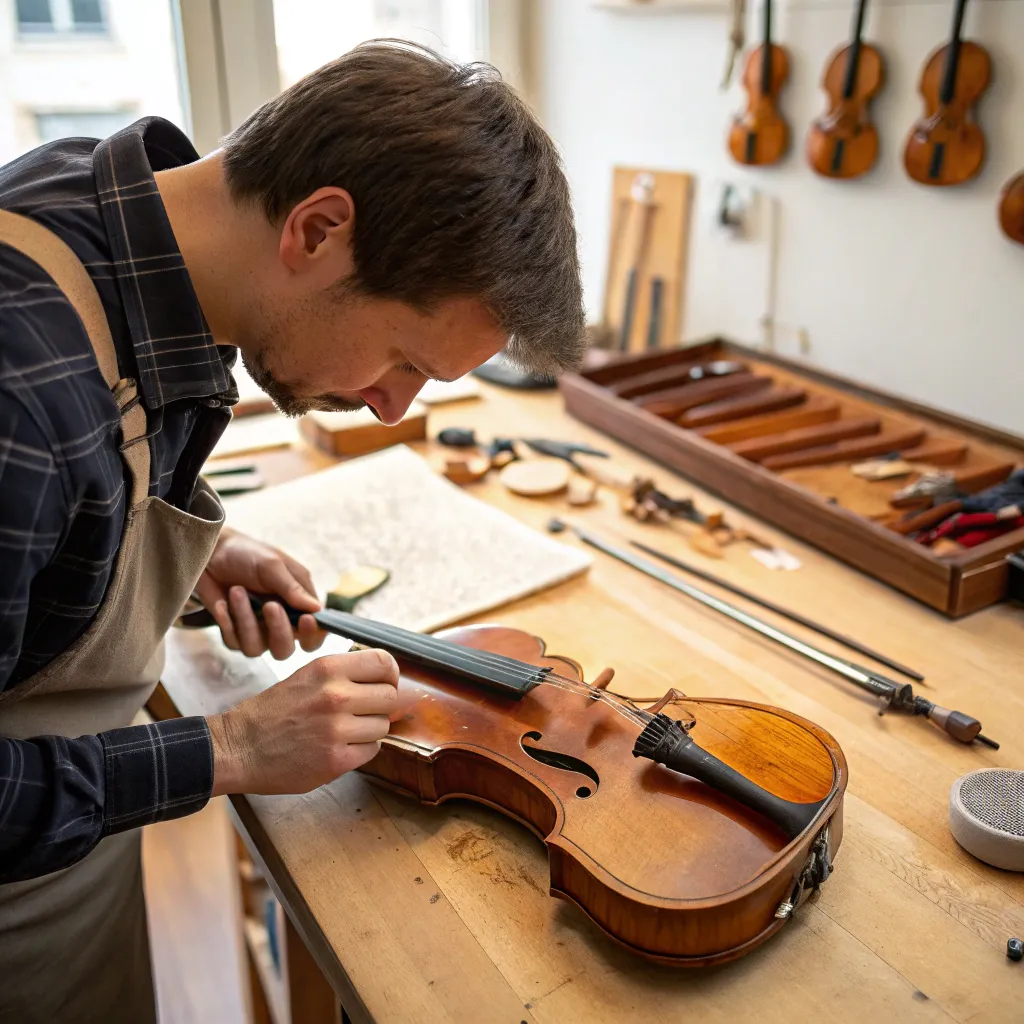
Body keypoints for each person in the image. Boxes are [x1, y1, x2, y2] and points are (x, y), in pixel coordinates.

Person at [0, 40, 583, 1023]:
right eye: (403, 360)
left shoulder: (118, 228)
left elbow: (68, 499)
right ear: (316, 229)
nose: (389, 407)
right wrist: (228, 746)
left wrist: (190, 558)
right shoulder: (19, 387)